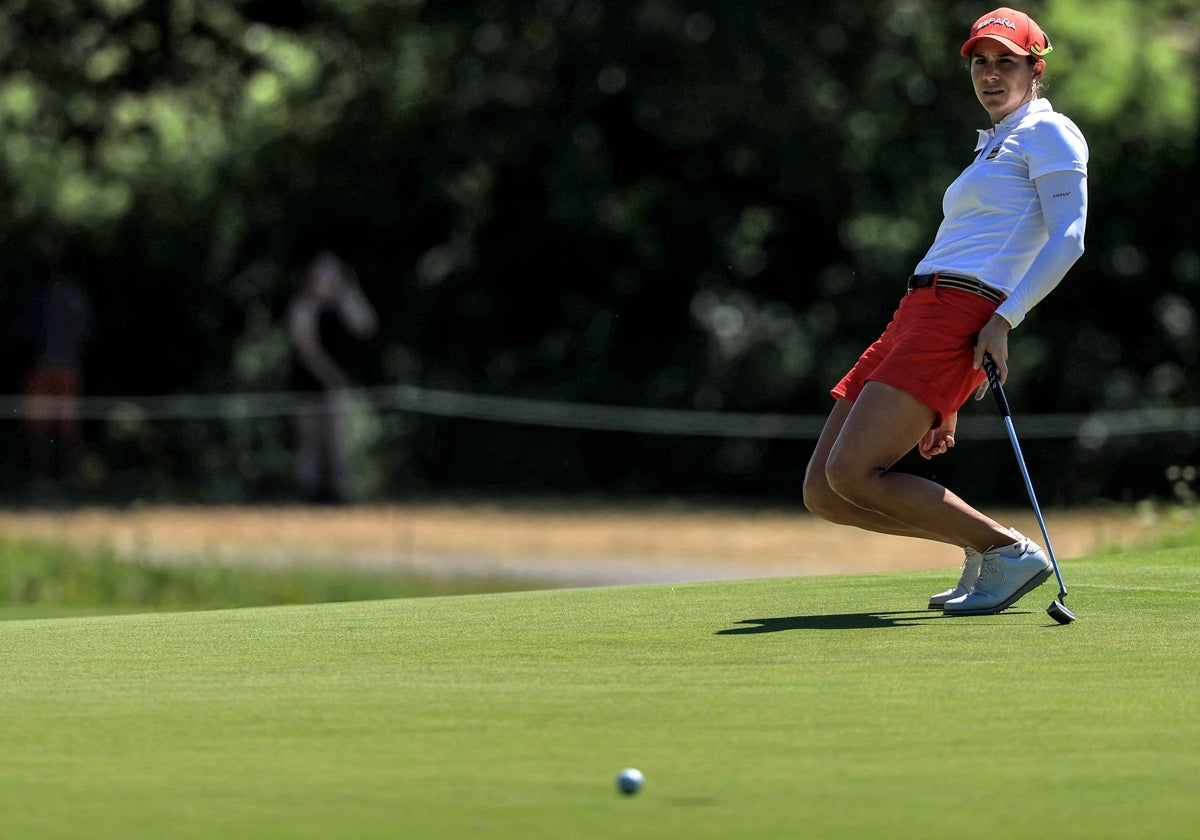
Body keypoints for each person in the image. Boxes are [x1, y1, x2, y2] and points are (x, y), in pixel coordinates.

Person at [802, 8, 1088, 615]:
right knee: (823, 491)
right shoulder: (995, 145)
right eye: (980, 62)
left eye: (1006, 61)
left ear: (1036, 68)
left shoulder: (1050, 132)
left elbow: (1069, 237)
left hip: (963, 310)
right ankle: (986, 550)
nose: (990, 73)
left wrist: (1003, 320)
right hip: (917, 310)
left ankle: (1002, 549)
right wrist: (946, 397)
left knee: (854, 473)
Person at [287, 251, 379, 504]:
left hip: (335, 384)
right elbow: (308, 350)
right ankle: (310, 493)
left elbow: (367, 326)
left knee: (339, 440)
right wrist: (332, 378)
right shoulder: (304, 307)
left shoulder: (342, 305)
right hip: (308, 383)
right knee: (309, 440)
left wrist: (351, 292)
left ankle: (338, 493)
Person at [17, 269, 92, 500]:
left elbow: (24, 332)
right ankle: (54, 480)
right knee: (54, 426)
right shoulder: (72, 296)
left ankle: (54, 480)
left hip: (49, 366)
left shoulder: (40, 295)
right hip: (59, 366)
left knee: (52, 426)